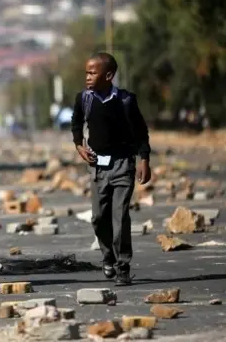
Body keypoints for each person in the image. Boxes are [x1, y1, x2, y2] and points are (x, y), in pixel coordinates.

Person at [70, 53, 152, 286]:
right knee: (98, 218)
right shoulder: (83, 99)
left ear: (108, 76)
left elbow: (140, 132)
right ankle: (108, 256)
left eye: (92, 73)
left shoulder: (125, 100)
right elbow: (76, 124)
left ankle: (123, 266)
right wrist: (79, 147)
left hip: (123, 165)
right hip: (97, 167)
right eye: (86, 72)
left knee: (120, 217)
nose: (87, 77)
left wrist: (144, 159)